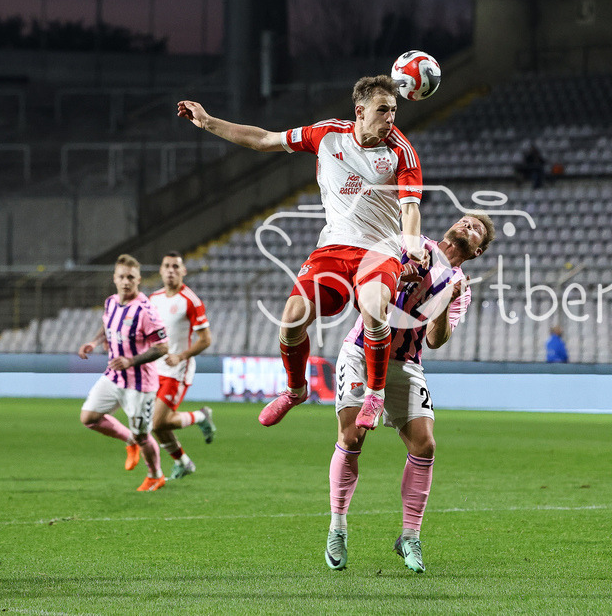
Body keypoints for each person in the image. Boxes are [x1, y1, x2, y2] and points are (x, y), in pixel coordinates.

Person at [178, 75, 428, 432]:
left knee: (374, 307)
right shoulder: (326, 134)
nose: (390, 118)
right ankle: (296, 390)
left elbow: (410, 210)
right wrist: (207, 122)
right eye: (383, 110)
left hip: (380, 250)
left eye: (394, 110)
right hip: (333, 247)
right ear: (360, 111)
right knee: (292, 318)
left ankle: (374, 394)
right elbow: (264, 140)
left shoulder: (401, 153)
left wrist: (414, 253)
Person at [326, 212, 495, 573]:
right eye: (466, 220)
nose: (468, 226)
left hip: (406, 363)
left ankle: (410, 536)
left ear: (478, 251)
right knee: (352, 437)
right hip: (362, 350)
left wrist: (448, 299)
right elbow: (370, 287)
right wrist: (400, 273)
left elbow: (435, 340)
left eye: (476, 229)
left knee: (425, 444)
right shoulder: (412, 247)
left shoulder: (461, 286)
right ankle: (337, 527)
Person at [78, 254, 168, 491]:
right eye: (121, 277)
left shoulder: (146, 311)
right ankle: (129, 440)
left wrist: (131, 361)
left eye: (131, 277)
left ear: (139, 279)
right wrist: (94, 342)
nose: (126, 281)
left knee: (143, 435)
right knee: (88, 418)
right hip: (114, 377)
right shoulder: (110, 302)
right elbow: (107, 325)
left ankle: (155, 475)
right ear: (114, 278)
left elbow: (163, 347)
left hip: (140, 385)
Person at [149, 251, 216, 480]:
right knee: (157, 425)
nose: (171, 270)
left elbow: (206, 339)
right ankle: (183, 462)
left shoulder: (191, 300)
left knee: (157, 422)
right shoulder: (153, 299)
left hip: (177, 369)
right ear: (160, 270)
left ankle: (200, 417)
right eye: (167, 266)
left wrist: (180, 356)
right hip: (154, 368)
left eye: (176, 267)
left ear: (183, 271)